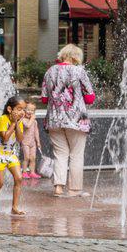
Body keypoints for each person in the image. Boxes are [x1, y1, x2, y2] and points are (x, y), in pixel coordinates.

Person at [40, 45, 95, 200]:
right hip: (76, 120)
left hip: (54, 120)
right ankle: (75, 189)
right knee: (76, 155)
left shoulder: (49, 71)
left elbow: (44, 99)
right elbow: (90, 97)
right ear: (75, 57)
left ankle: (58, 187)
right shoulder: (79, 71)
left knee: (60, 154)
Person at [0, 95, 33, 217]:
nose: (22, 112)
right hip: (0, 154)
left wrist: (17, 124)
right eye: (19, 109)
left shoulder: (18, 122)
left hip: (11, 154)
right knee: (0, 182)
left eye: (23, 109)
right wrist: (14, 123)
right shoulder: (3, 119)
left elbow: (20, 139)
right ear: (10, 109)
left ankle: (14, 207)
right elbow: (5, 138)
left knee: (19, 179)